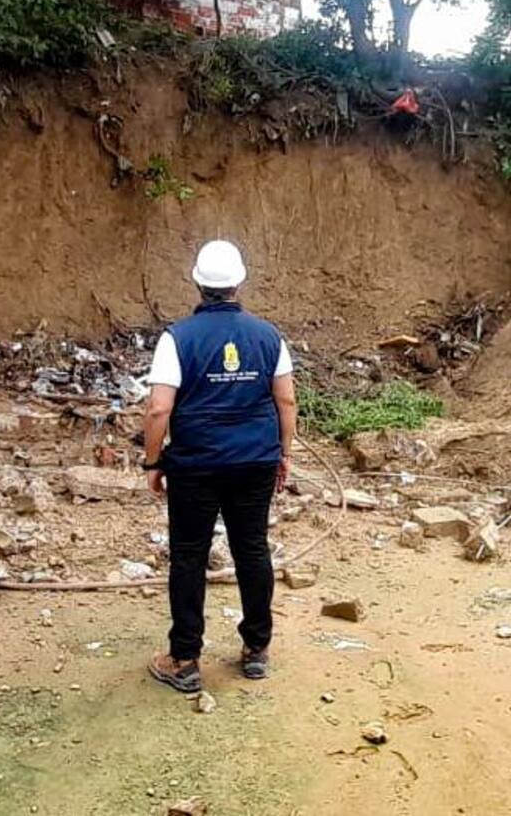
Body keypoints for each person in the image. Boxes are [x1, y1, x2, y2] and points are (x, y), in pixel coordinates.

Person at [143, 240, 297, 691]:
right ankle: (256, 650)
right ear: (238, 283)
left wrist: (153, 460)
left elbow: (157, 409)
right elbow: (285, 397)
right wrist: (284, 453)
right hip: (254, 460)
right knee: (252, 549)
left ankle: (185, 659)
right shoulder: (269, 336)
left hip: (196, 465)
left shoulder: (177, 338)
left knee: (188, 555)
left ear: (197, 282)